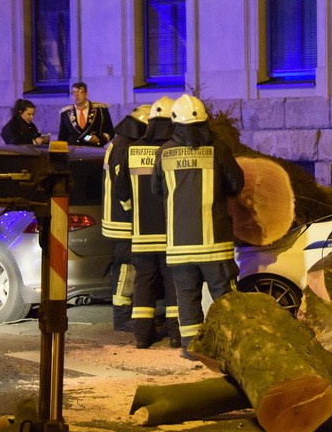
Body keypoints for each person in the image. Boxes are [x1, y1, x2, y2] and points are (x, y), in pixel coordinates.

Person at [152, 94, 244, 360]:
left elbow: (158, 191)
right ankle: (234, 348)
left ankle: (192, 350)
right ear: (205, 122)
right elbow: (236, 185)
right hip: (215, 245)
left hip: (179, 246)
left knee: (187, 300)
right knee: (226, 301)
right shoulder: (218, 148)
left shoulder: (164, 153)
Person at [116, 96, 180, 349]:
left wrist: (133, 211)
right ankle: (176, 334)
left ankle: (142, 336)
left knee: (144, 282)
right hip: (170, 232)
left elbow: (121, 188)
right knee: (173, 282)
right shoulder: (174, 150)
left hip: (141, 233)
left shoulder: (132, 150)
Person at [102, 104, 151, 332]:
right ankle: (122, 318)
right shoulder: (125, 145)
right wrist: (132, 210)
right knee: (126, 266)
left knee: (128, 265)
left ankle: (125, 315)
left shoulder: (118, 141)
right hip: (122, 220)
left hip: (118, 217)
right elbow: (122, 185)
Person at [59, 81, 115, 147]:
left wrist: (99, 140)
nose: (76, 95)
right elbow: (62, 136)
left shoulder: (100, 110)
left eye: (80, 92)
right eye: (73, 92)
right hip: (73, 152)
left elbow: (110, 132)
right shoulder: (66, 113)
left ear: (86, 94)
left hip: (93, 151)